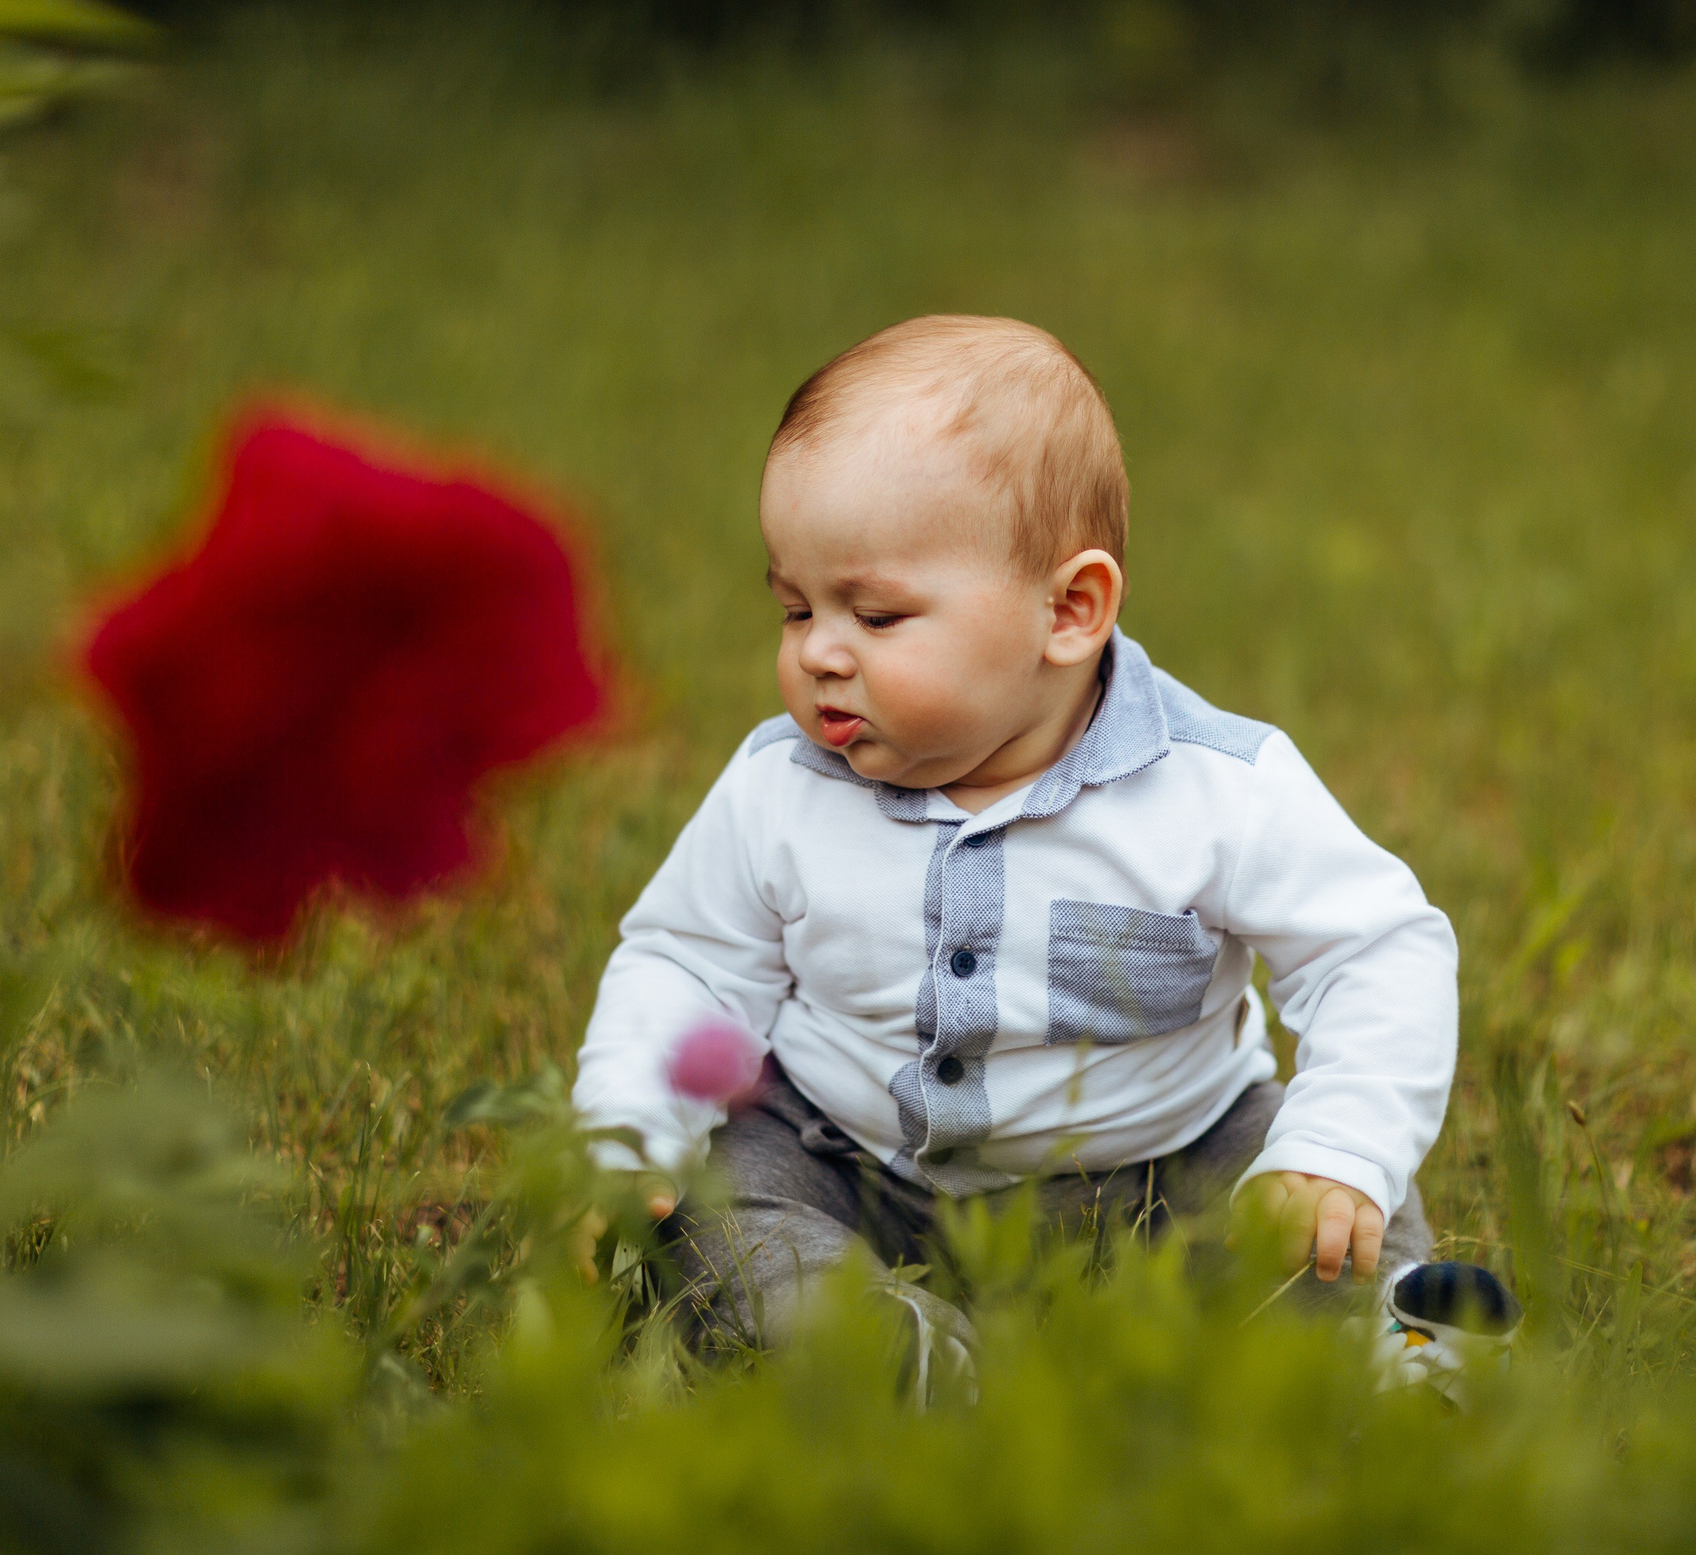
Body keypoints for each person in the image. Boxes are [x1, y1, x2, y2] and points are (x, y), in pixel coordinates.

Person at [573, 314, 1493, 1386]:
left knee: (1310, 1213)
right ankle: (885, 1360)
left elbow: (1375, 951)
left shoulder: (1212, 790)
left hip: (1159, 1176)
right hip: (848, 1164)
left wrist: (1336, 1149)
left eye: (874, 614)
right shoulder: (780, 793)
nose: (819, 652)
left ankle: (1400, 1354)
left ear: (1069, 610)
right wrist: (630, 1130)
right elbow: (688, 965)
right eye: (794, 608)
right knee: (721, 1213)